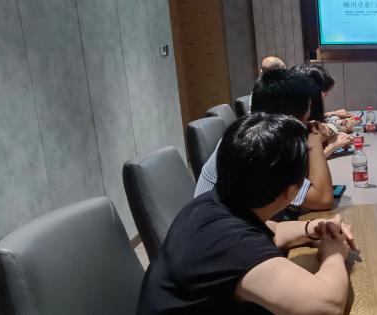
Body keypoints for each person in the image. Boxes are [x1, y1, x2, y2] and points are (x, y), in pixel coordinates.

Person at [138, 113, 355, 314]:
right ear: (292, 192)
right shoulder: (232, 245)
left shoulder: (213, 203)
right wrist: (334, 253)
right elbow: (328, 306)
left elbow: (275, 230)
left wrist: (314, 228)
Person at [195, 68, 335, 211]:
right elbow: (323, 199)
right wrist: (314, 139)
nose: (308, 124)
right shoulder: (258, 147)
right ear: (291, 121)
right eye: (305, 119)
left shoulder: (254, 132)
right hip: (220, 222)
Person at [294, 65, 354, 154]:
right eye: (325, 94)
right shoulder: (298, 126)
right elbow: (306, 159)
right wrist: (333, 146)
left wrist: (334, 115)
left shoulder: (303, 120)